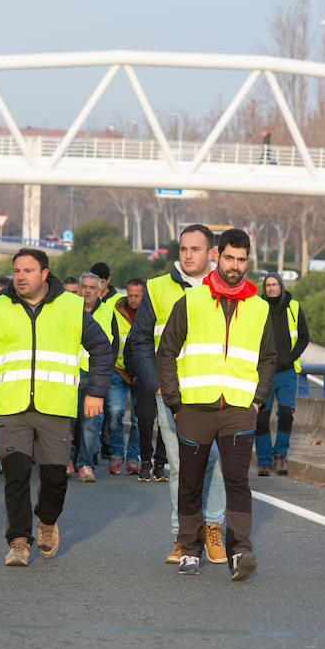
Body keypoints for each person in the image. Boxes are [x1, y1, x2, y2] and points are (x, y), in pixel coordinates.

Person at [0, 248, 112, 566]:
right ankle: (19, 541)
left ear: (44, 273)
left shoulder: (72, 307)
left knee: (54, 478)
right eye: (17, 270)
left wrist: (96, 393)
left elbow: (101, 348)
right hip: (12, 407)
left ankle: (47, 521)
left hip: (56, 407)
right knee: (16, 473)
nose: (21, 276)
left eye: (28, 270)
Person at [157, 228, 274, 580]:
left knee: (238, 481)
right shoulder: (191, 302)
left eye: (241, 260)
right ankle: (189, 550)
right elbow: (166, 352)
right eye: (228, 258)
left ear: (247, 261)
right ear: (216, 257)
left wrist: (258, 401)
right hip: (194, 409)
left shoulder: (259, 308)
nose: (234, 266)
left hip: (239, 410)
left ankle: (241, 551)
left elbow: (269, 359)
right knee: (190, 482)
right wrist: (175, 404)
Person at [127, 224, 229, 566]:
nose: (187, 255)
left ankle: (212, 527)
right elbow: (140, 341)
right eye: (183, 249)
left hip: (218, 394)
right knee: (179, 466)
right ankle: (183, 535)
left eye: (195, 249)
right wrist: (157, 384)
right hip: (173, 395)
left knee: (216, 464)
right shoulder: (157, 289)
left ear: (211, 253)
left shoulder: (229, 289)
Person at [254, 270, 309, 476]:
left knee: (286, 414)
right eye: (268, 285)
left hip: (287, 372)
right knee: (262, 417)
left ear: (281, 286)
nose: (271, 288)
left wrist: (291, 357)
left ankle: (280, 456)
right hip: (264, 373)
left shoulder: (294, 307)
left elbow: (304, 337)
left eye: (274, 284)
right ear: (264, 288)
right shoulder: (258, 308)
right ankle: (264, 461)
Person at [71, 269, 118, 483]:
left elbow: (113, 345)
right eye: (85, 287)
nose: (88, 291)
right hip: (70, 374)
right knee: (68, 422)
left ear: (100, 290)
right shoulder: (68, 309)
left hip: (94, 376)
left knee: (91, 424)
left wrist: (104, 373)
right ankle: (67, 461)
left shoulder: (108, 312)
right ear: (79, 289)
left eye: (92, 288)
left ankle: (85, 465)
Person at [108, 277, 144, 476]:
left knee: (138, 419)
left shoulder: (149, 313)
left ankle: (133, 457)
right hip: (118, 370)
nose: (132, 299)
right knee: (115, 411)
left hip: (140, 373)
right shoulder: (114, 311)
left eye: (137, 296)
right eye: (129, 295)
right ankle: (116, 454)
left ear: (143, 295)